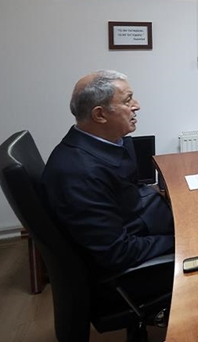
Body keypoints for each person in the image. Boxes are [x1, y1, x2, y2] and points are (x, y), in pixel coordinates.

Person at [37, 70, 174, 316]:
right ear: (99, 115)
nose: (137, 106)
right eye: (127, 100)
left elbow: (128, 195)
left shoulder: (106, 143)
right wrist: (182, 241)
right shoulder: (79, 173)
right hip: (127, 278)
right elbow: (118, 253)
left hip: (141, 226)